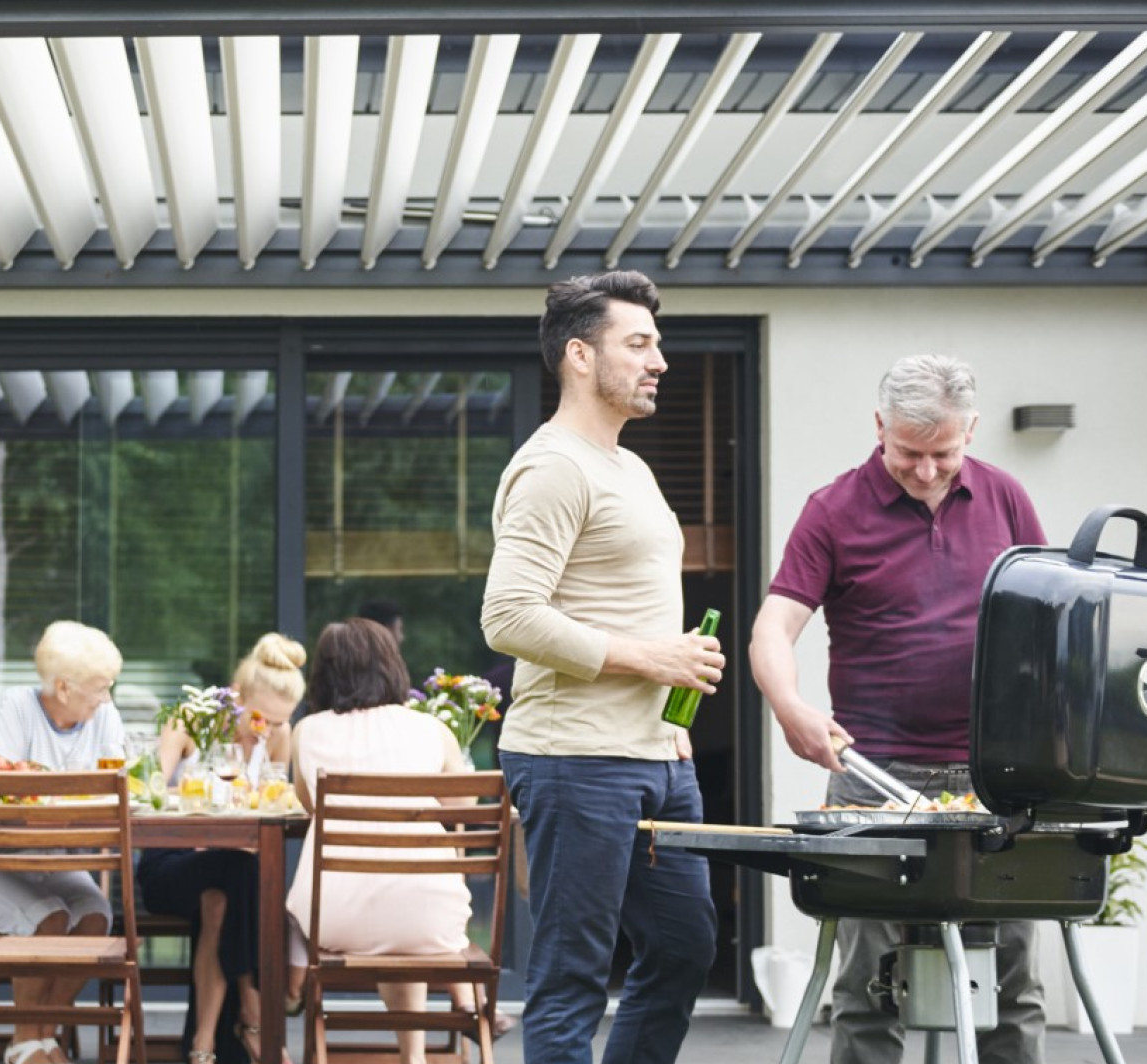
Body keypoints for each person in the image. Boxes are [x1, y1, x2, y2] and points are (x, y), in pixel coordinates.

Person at [748, 354, 1048, 1064]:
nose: (925, 470)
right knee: (863, 987)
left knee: (1014, 983)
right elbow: (772, 628)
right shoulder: (833, 510)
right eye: (909, 452)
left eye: (943, 452)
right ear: (879, 425)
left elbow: (1049, 624)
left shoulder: (1007, 499)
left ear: (971, 430)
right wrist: (790, 706)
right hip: (872, 776)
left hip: (994, 776)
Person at [479, 269, 724, 1064]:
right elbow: (508, 616)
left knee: (685, 947)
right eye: (640, 344)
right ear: (580, 356)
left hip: (655, 754)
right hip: (575, 758)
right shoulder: (554, 467)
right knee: (571, 979)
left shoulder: (632, 468)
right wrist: (649, 658)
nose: (660, 361)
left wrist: (665, 704)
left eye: (659, 345)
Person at [286, 618, 478, 1064]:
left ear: (324, 674)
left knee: (385, 907)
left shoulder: (307, 731)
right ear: (391, 666)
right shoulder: (431, 729)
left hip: (333, 917)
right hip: (426, 913)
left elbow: (309, 804)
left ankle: (285, 1010)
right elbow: (464, 804)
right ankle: (416, 1054)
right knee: (403, 908)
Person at [0, 620, 129, 1064]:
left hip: (54, 860)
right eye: (99, 688)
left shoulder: (104, 717)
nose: (107, 697)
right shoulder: (14, 707)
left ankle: (41, 1037)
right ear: (65, 688)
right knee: (50, 919)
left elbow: (121, 788)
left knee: (94, 919)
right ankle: (24, 1043)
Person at [138, 632, 306, 1064]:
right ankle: (253, 1016)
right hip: (171, 864)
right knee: (240, 878)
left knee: (223, 897)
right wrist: (194, 802)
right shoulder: (191, 721)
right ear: (237, 695)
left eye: (278, 721)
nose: (267, 729)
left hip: (232, 869)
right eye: (261, 717)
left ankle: (203, 1044)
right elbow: (149, 793)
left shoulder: (278, 735)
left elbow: (273, 804)